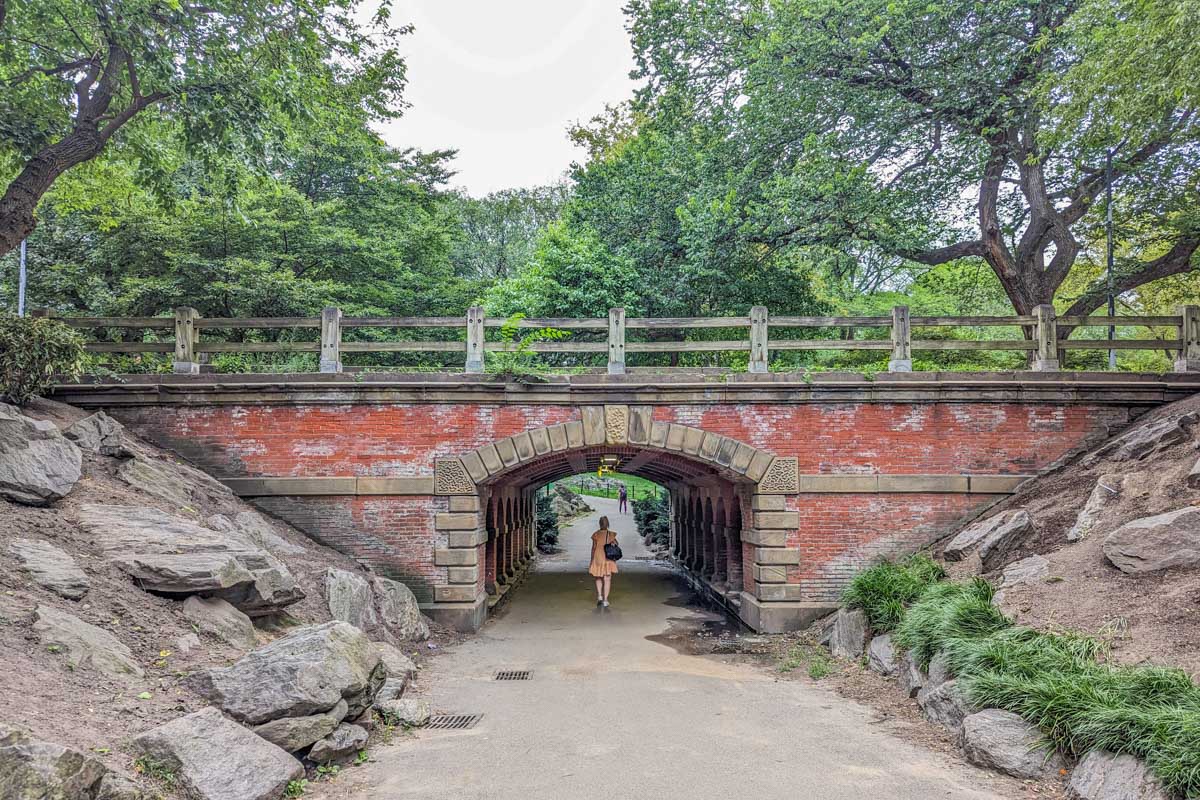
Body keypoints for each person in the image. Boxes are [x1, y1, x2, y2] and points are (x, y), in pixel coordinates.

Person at [589, 515, 618, 607]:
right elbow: (616, 544)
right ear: (608, 524)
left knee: (598, 577)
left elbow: (593, 548)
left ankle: (600, 596)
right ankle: (605, 600)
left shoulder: (596, 534)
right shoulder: (611, 534)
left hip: (598, 557)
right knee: (607, 579)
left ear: (599, 524)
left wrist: (592, 559)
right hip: (608, 558)